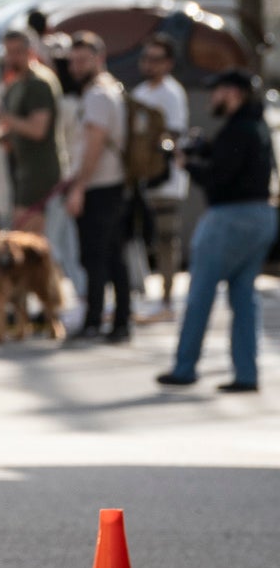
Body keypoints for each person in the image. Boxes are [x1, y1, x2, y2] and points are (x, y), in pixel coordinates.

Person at [157, 69, 277, 392]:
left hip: (229, 218)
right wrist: (203, 149)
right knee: (244, 296)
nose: (213, 97)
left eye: (218, 91)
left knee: (200, 293)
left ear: (234, 94)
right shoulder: (256, 127)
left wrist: (185, 164)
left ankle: (184, 367)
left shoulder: (237, 130)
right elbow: (231, 162)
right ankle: (246, 374)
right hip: (262, 216)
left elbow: (218, 178)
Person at [62, 32, 131, 343]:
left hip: (100, 187)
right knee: (113, 256)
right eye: (73, 61)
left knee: (96, 257)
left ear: (99, 59)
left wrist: (79, 187)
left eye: (82, 60)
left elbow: (95, 144)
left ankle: (96, 320)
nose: (76, 67)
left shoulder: (98, 96)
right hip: (109, 186)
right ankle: (119, 322)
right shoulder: (107, 90)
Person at [0, 28, 64, 235]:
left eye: (17, 52)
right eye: (9, 52)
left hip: (40, 174)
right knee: (21, 233)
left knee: (27, 239)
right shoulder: (16, 83)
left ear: (29, 52)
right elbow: (16, 129)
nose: (12, 58)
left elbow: (37, 130)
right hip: (24, 173)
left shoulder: (38, 83)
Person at [125, 35, 188, 321]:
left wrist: (157, 156)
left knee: (166, 239)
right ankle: (140, 295)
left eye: (156, 59)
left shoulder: (172, 94)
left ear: (168, 63)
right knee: (137, 238)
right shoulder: (140, 92)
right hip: (140, 179)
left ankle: (166, 300)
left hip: (165, 180)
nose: (149, 64)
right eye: (146, 58)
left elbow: (173, 134)